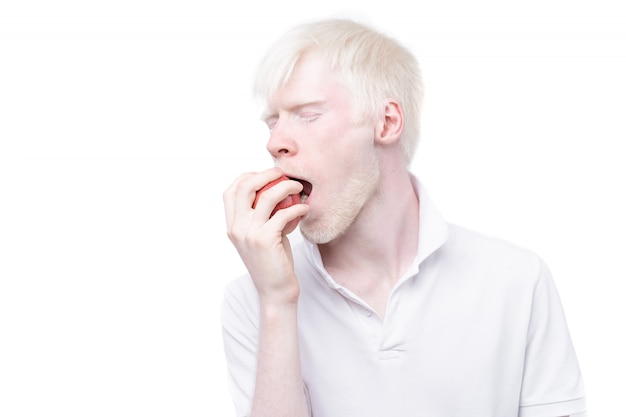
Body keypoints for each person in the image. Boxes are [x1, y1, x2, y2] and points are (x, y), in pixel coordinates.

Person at [221, 18, 586, 417]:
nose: (275, 143)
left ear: (387, 122)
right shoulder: (252, 300)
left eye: (307, 114)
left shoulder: (517, 279)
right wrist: (277, 302)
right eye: (273, 121)